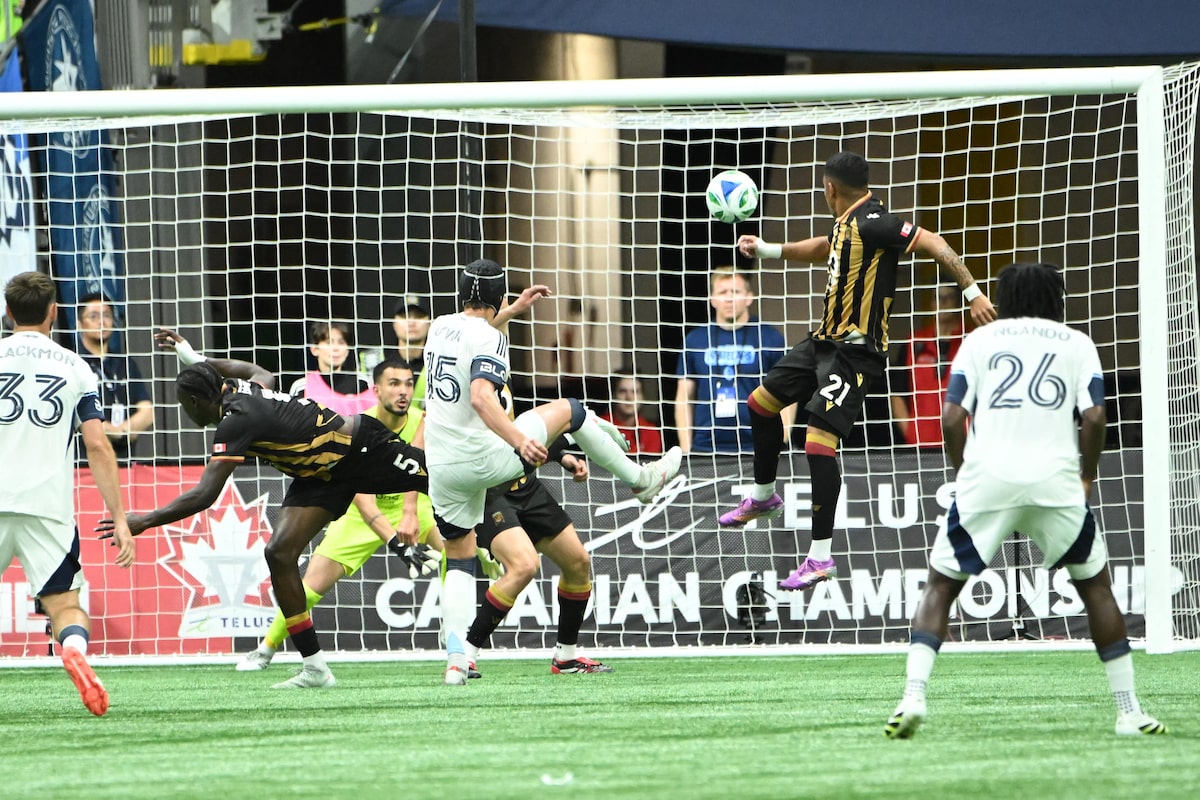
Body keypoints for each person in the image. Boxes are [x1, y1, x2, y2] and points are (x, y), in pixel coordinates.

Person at [885, 261, 1167, 738]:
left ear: (1005, 299)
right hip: (1054, 480)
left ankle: (913, 696)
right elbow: (1095, 418)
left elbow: (952, 418)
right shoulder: (1077, 343)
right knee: (1095, 587)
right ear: (1056, 298)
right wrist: (1087, 476)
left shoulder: (978, 340)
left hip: (988, 477)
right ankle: (1129, 711)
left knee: (940, 586)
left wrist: (963, 472)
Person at [719, 151, 998, 593]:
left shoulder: (876, 222)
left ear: (829, 187)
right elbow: (825, 248)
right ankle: (762, 496)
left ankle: (819, 557)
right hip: (822, 342)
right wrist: (768, 249)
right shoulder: (848, 220)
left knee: (817, 441)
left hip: (856, 353)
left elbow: (936, 242)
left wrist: (973, 292)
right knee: (761, 404)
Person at [99, 328, 431, 689]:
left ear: (197, 402)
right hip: (320, 476)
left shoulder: (237, 419)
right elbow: (259, 371)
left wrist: (145, 519)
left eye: (185, 405)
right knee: (279, 553)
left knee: (441, 477)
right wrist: (194, 358)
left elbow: (206, 494)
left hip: (361, 449)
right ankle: (315, 669)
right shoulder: (243, 389)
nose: (186, 413)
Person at [422, 258, 681, 685]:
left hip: (444, 468)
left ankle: (457, 661)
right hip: (488, 460)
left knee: (461, 556)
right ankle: (641, 481)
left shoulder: (439, 326)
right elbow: (483, 396)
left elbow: (474, 330)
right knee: (571, 409)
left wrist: (509, 312)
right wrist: (517, 440)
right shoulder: (490, 339)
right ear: (498, 297)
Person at [234, 358, 442, 671]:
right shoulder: (357, 424)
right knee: (310, 584)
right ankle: (266, 648)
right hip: (362, 512)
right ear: (376, 389)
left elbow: (419, 470)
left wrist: (410, 514)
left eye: (408, 384)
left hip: (412, 506)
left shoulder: (423, 419)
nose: (403, 391)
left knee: (458, 549)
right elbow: (358, 493)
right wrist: (394, 541)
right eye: (394, 384)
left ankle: (456, 643)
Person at [0, 272, 134, 716]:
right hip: (47, 505)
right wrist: (118, 517)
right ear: (54, 313)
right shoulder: (74, 366)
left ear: (7, 312)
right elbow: (97, 444)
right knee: (65, 606)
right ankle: (74, 649)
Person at [464, 440, 614, 676]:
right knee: (524, 565)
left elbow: (534, 427)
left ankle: (566, 657)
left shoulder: (507, 404)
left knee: (578, 562)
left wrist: (562, 455)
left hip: (527, 487)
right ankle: (465, 656)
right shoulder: (475, 403)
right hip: (488, 493)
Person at [674, 267, 790, 454]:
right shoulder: (695, 339)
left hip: (758, 445)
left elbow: (787, 391)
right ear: (712, 299)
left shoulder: (769, 338)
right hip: (705, 447)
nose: (729, 298)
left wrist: (781, 439)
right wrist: (685, 447)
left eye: (735, 292)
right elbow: (684, 397)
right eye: (722, 292)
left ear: (749, 297)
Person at [74, 292, 155, 462]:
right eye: (93, 316)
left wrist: (123, 430)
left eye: (107, 315)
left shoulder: (125, 363)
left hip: (124, 461)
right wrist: (112, 431)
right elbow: (77, 416)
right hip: (84, 463)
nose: (101, 321)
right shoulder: (74, 363)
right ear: (79, 324)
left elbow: (147, 412)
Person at [889, 284, 965, 448]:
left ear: (958, 303)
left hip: (964, 442)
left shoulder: (971, 341)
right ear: (931, 303)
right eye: (937, 297)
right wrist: (911, 432)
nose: (943, 302)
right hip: (922, 444)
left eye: (949, 297)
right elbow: (897, 393)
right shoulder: (913, 343)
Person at [288, 320, 375, 416]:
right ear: (314, 350)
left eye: (341, 343)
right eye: (329, 342)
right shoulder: (302, 387)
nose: (336, 348)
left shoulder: (362, 382)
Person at [600, 371, 663, 454]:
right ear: (614, 395)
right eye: (623, 391)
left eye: (635, 392)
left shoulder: (650, 432)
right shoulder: (601, 426)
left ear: (642, 397)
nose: (629, 397)